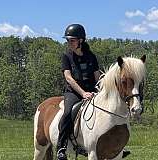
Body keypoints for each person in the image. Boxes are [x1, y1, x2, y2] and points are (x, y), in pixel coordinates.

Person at [57, 24, 100, 160]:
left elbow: (97, 77)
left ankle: (115, 144)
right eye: (68, 40)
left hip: (92, 92)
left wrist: (100, 91)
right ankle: (61, 147)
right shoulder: (66, 56)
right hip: (74, 93)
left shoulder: (91, 56)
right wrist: (82, 93)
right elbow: (68, 78)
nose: (69, 42)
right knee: (68, 112)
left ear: (81, 40)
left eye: (72, 40)